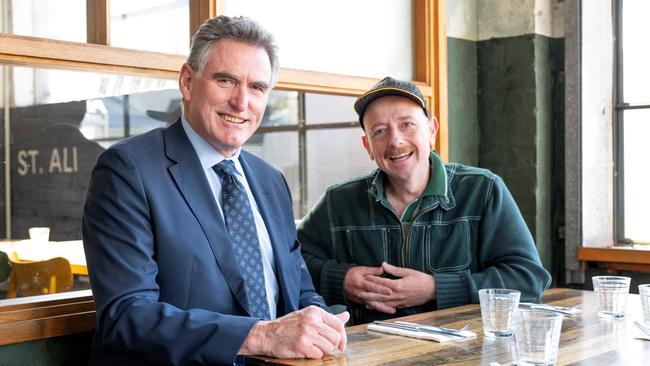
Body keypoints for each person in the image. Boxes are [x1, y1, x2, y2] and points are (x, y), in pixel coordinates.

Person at [82, 15, 348, 365]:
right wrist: (261, 336)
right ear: (188, 82)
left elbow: (298, 288)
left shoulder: (270, 180)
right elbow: (126, 314)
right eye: (226, 81)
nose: (241, 103)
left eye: (257, 88)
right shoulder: (127, 170)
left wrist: (319, 320)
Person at [298, 76, 551, 325]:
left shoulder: (482, 190)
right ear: (368, 147)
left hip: (463, 352)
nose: (395, 141)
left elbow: (528, 279)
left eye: (407, 124)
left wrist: (435, 288)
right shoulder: (338, 202)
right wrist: (340, 280)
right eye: (380, 131)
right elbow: (290, 263)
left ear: (432, 130)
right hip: (371, 353)